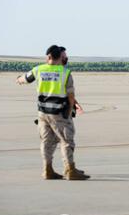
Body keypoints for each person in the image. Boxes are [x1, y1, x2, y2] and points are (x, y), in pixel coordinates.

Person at [16, 45, 90, 180]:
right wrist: (70, 110)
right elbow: (70, 95)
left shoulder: (38, 70)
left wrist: (18, 79)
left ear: (48, 57)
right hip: (59, 113)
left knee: (46, 141)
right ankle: (70, 170)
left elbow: (23, 79)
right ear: (59, 57)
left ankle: (47, 170)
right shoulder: (65, 72)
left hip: (43, 113)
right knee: (67, 141)